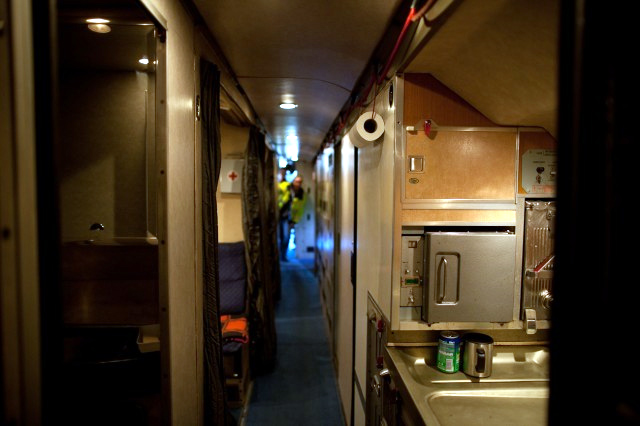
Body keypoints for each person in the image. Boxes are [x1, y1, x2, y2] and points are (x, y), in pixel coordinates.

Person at [277, 174, 306, 261]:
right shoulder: (286, 186)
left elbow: (300, 210)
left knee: (286, 237)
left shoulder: (301, 194)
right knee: (280, 236)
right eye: (296, 181)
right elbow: (277, 188)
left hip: (289, 219)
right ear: (293, 181)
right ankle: (279, 255)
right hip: (280, 214)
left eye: (299, 182)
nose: (297, 183)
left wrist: (294, 221)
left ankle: (283, 255)